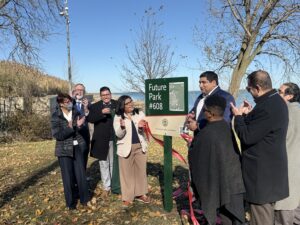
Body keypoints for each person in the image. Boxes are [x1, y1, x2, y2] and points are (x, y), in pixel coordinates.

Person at [231, 70, 289, 225]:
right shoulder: (275, 100)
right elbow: (263, 129)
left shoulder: (267, 107)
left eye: (249, 89)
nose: (249, 92)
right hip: (271, 171)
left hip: (261, 176)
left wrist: (237, 117)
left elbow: (247, 137)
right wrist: (249, 115)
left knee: (261, 218)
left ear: (257, 87)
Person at [188, 95, 245, 225]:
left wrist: (192, 145)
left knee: (231, 216)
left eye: (205, 111)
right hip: (234, 181)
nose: (204, 113)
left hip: (219, 183)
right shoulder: (226, 127)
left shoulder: (206, 133)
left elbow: (196, 158)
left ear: (210, 114)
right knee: (232, 217)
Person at [50, 93, 89, 210]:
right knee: (68, 177)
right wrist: (70, 127)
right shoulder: (56, 116)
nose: (69, 103)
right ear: (60, 103)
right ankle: (71, 203)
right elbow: (57, 135)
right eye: (66, 101)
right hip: (63, 150)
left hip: (78, 147)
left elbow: (80, 127)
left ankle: (84, 199)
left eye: (70, 100)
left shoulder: (76, 112)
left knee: (81, 174)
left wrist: (80, 126)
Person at [113, 95, 149, 207]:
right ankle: (128, 197)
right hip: (125, 148)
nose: (131, 104)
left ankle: (140, 194)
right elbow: (118, 134)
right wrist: (122, 128)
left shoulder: (140, 113)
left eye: (131, 102)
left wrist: (141, 127)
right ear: (122, 106)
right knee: (126, 173)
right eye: (127, 103)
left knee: (141, 171)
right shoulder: (118, 117)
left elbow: (145, 129)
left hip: (140, 146)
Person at [275, 82, 300, 225]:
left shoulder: (283, 113)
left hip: (286, 171)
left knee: (284, 214)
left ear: (289, 96)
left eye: (280, 92)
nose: (277, 94)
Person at [86, 86, 117, 195]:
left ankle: (114, 185)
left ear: (110, 94)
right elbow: (90, 119)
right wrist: (102, 113)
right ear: (100, 96)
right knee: (103, 163)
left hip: (114, 138)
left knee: (114, 163)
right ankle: (106, 187)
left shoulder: (117, 104)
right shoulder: (95, 106)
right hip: (100, 139)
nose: (106, 97)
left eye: (107, 94)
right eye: (103, 95)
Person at [72, 83, 90, 170]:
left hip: (85, 133)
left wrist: (86, 107)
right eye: (78, 90)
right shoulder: (69, 103)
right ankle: (75, 179)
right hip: (73, 134)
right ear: (74, 91)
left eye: (82, 90)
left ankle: (83, 175)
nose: (80, 92)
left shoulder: (87, 103)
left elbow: (90, 118)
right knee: (74, 157)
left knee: (84, 155)